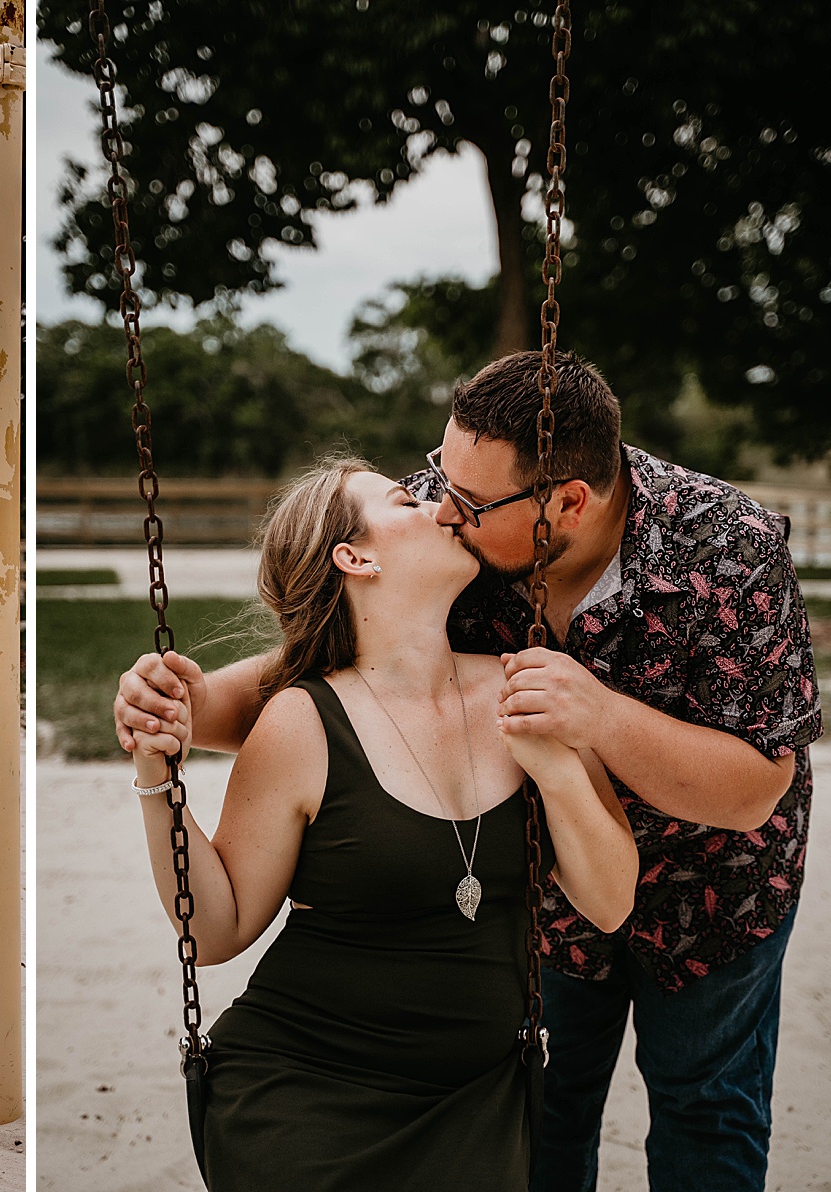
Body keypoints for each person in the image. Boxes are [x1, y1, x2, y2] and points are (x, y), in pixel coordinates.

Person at [116, 351, 820, 1192]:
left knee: (707, 1115)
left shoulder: (729, 547)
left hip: (716, 890)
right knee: (547, 1119)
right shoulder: (459, 507)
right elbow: (320, 666)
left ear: (568, 502)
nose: (443, 507)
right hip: (535, 906)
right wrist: (178, 707)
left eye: (466, 503)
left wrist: (593, 721)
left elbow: (755, 789)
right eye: (435, 482)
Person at [127, 454, 637, 1190]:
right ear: (354, 558)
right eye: (406, 501)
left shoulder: (530, 684)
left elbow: (612, 902)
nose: (442, 508)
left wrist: (554, 769)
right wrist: (157, 778)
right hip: (305, 1091)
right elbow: (218, 931)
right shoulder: (303, 721)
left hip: (476, 1106)